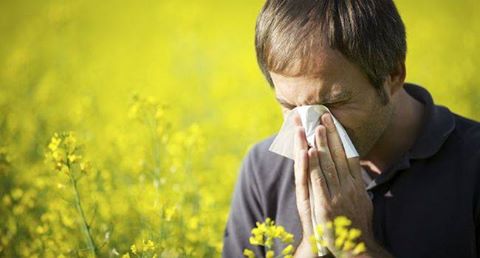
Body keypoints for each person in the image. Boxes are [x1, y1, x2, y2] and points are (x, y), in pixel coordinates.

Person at [222, 0, 480, 257]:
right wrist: (312, 246)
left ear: (392, 75)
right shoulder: (263, 170)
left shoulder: (472, 163)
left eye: (333, 103)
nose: (312, 133)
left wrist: (355, 247)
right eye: (290, 106)